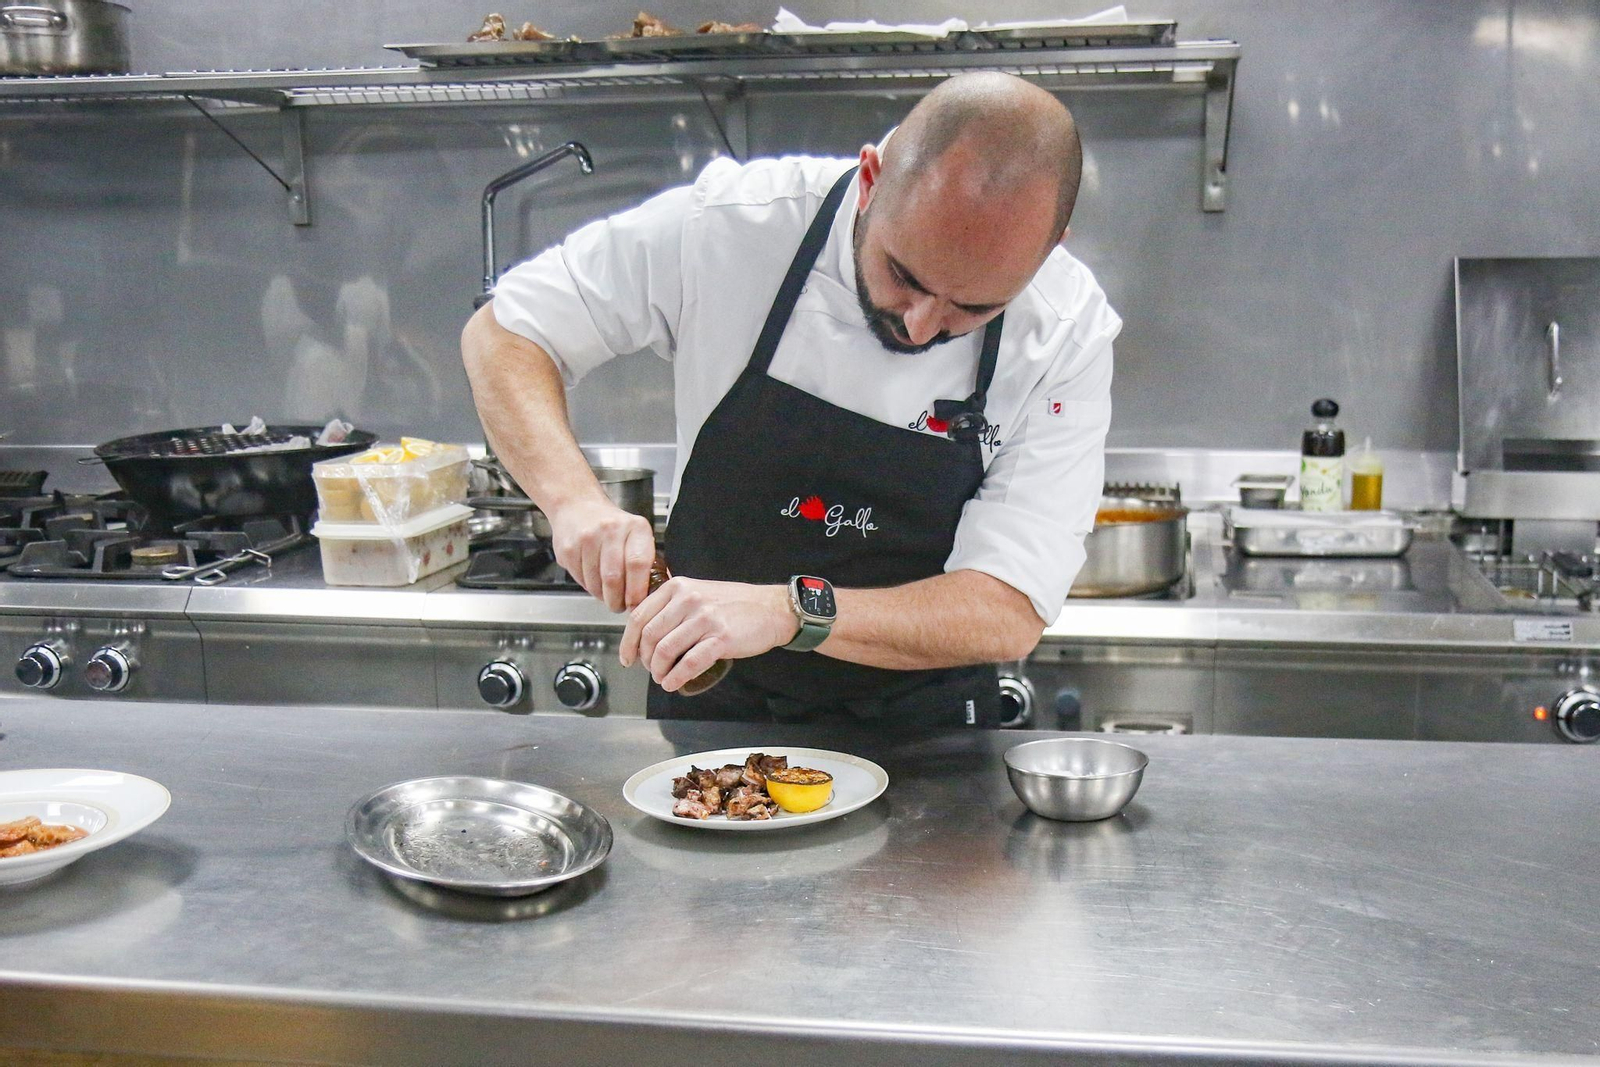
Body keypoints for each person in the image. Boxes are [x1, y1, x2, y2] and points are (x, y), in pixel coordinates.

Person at [462, 71, 1120, 728]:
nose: (921, 325)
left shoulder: (1066, 333)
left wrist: (790, 611)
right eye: (903, 275)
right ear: (870, 179)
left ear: (1045, 252)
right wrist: (573, 503)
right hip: (714, 711)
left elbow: (1006, 610)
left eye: (973, 307)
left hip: (926, 735)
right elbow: (505, 334)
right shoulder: (736, 226)